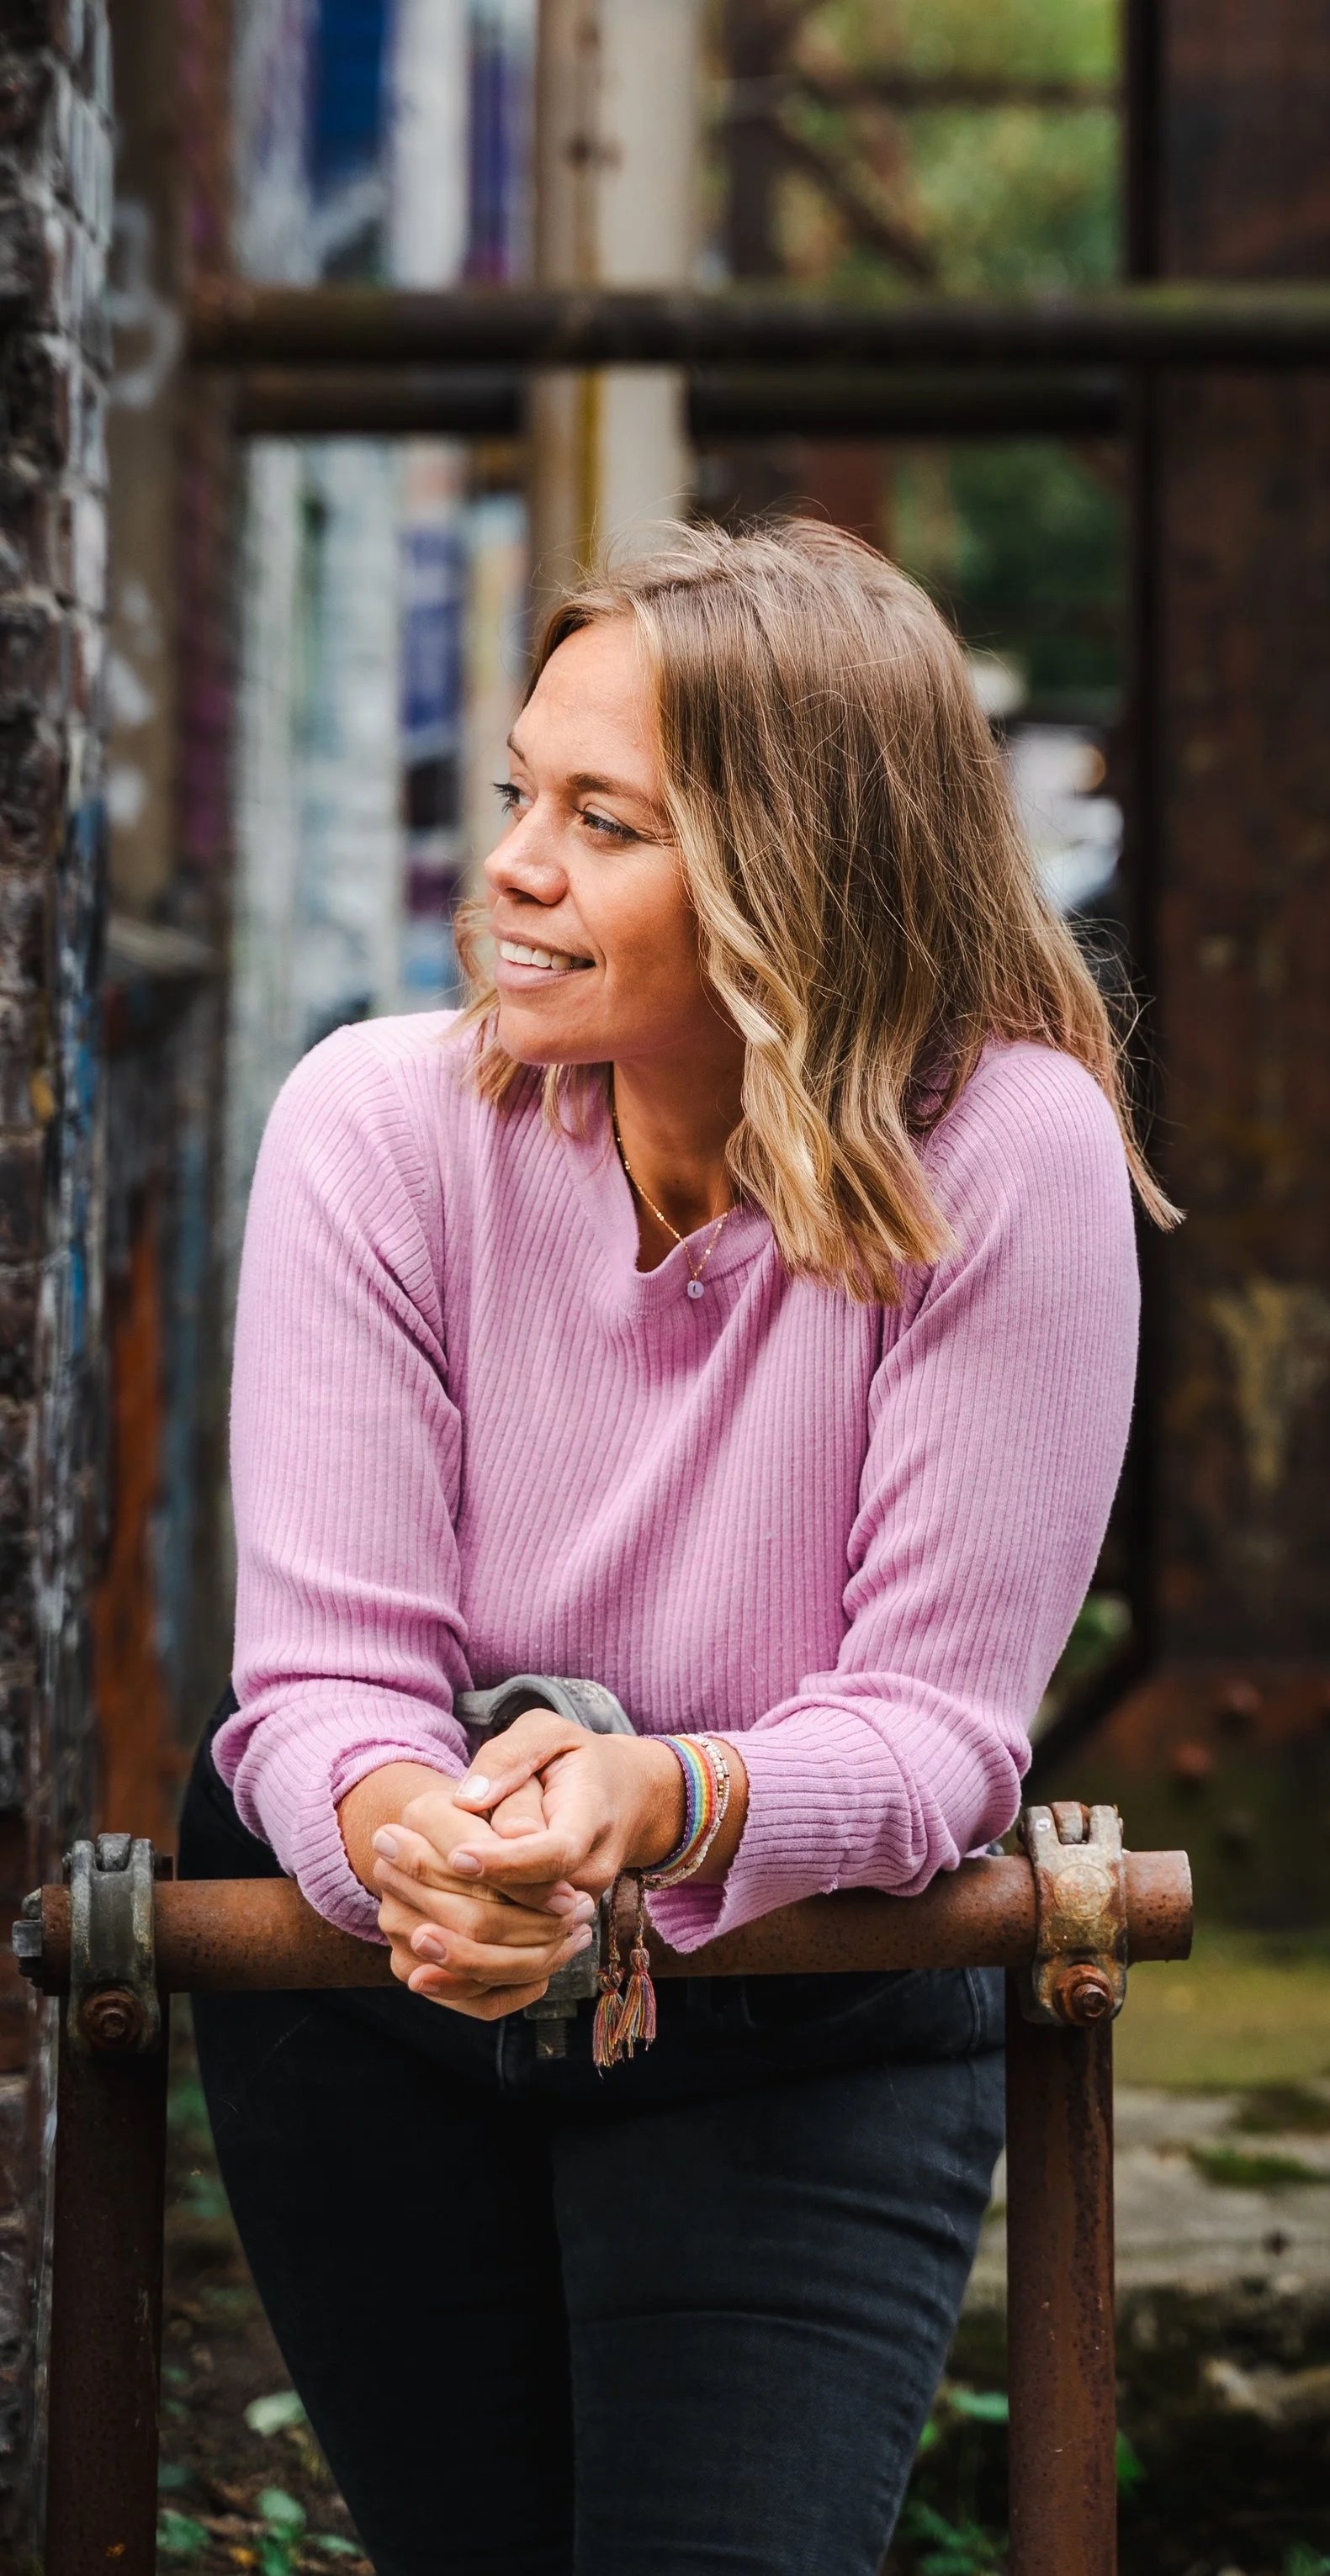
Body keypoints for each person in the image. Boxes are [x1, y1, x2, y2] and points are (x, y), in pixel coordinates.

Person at [181, 520, 1166, 2576]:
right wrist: (408, 1831)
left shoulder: (1007, 1149)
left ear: (794, 867)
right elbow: (322, 1675)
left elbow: (929, 1739)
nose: (514, 865)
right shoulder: (372, 1127)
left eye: (602, 819)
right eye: (518, 794)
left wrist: (660, 1795)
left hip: (805, 1997)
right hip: (397, 1984)